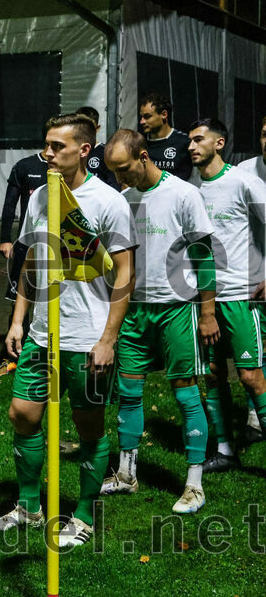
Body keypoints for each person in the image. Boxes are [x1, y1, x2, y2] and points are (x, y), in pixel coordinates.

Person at [0, 113, 136, 548]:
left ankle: (84, 515)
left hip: (87, 337)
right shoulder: (39, 197)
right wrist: (18, 319)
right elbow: (31, 262)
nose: (46, 153)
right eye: (45, 145)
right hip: (41, 335)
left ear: (84, 150)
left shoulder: (109, 201)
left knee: (89, 427)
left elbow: (125, 273)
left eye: (56, 147)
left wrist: (108, 339)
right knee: (22, 414)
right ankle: (29, 507)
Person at [100, 128, 217, 514]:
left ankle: (194, 484)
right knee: (129, 392)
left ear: (144, 157)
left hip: (177, 308)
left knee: (185, 392)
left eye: (124, 169)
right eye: (114, 172)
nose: (120, 179)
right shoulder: (122, 199)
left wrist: (208, 310)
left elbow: (203, 255)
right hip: (135, 311)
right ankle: (127, 473)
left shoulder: (184, 194)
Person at [188, 118, 266, 471]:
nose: (191, 146)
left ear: (219, 144)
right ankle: (225, 450)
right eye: (189, 140)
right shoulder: (193, 190)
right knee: (213, 373)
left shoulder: (244, 181)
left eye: (199, 139)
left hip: (240, 296)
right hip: (205, 298)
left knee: (251, 376)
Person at [237, 114, 266, 444]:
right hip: (250, 279)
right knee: (254, 354)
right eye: (263, 134)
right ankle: (253, 417)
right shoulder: (244, 173)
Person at [0, 148, 46, 342]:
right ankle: (17, 350)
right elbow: (10, 203)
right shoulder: (25, 166)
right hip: (26, 244)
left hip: (56, 246)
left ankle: (45, 347)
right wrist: (5, 238)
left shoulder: (67, 170)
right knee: (18, 298)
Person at [139, 93, 196, 183]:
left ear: (164, 114)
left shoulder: (185, 142)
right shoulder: (139, 143)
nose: (141, 122)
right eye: (141, 117)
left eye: (147, 116)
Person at [75, 106, 120, 190]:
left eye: (89, 127)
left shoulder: (106, 153)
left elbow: (114, 186)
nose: (84, 130)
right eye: (79, 126)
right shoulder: (71, 151)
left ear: (97, 128)